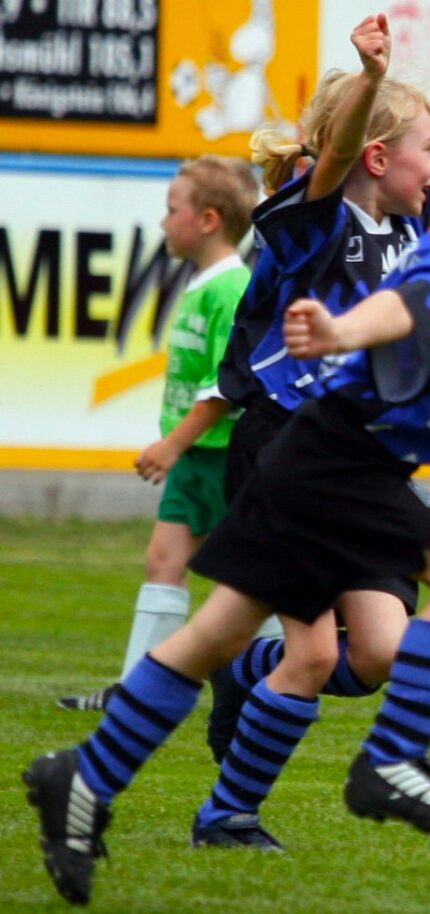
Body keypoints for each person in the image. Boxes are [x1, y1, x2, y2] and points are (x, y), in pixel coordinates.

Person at [22, 91, 430, 907]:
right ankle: (393, 759)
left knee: (218, 639)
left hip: (325, 460)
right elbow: (406, 305)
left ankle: (83, 776)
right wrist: (339, 333)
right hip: (344, 463)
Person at [190, 13, 430, 851]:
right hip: (285, 447)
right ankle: (226, 817)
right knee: (316, 657)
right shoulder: (315, 219)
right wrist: (369, 78)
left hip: (355, 456)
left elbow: (423, 148)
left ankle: (234, 675)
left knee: (376, 657)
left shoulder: (411, 227)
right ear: (373, 153)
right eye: (426, 149)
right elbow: (341, 159)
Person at [55, 154, 276, 712]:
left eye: (171, 209)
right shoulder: (205, 285)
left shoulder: (231, 290)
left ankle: (278, 678)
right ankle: (137, 695)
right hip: (195, 459)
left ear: (207, 220)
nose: (162, 221)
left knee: (254, 580)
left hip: (226, 457)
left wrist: (172, 442)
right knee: (164, 562)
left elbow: (226, 385)